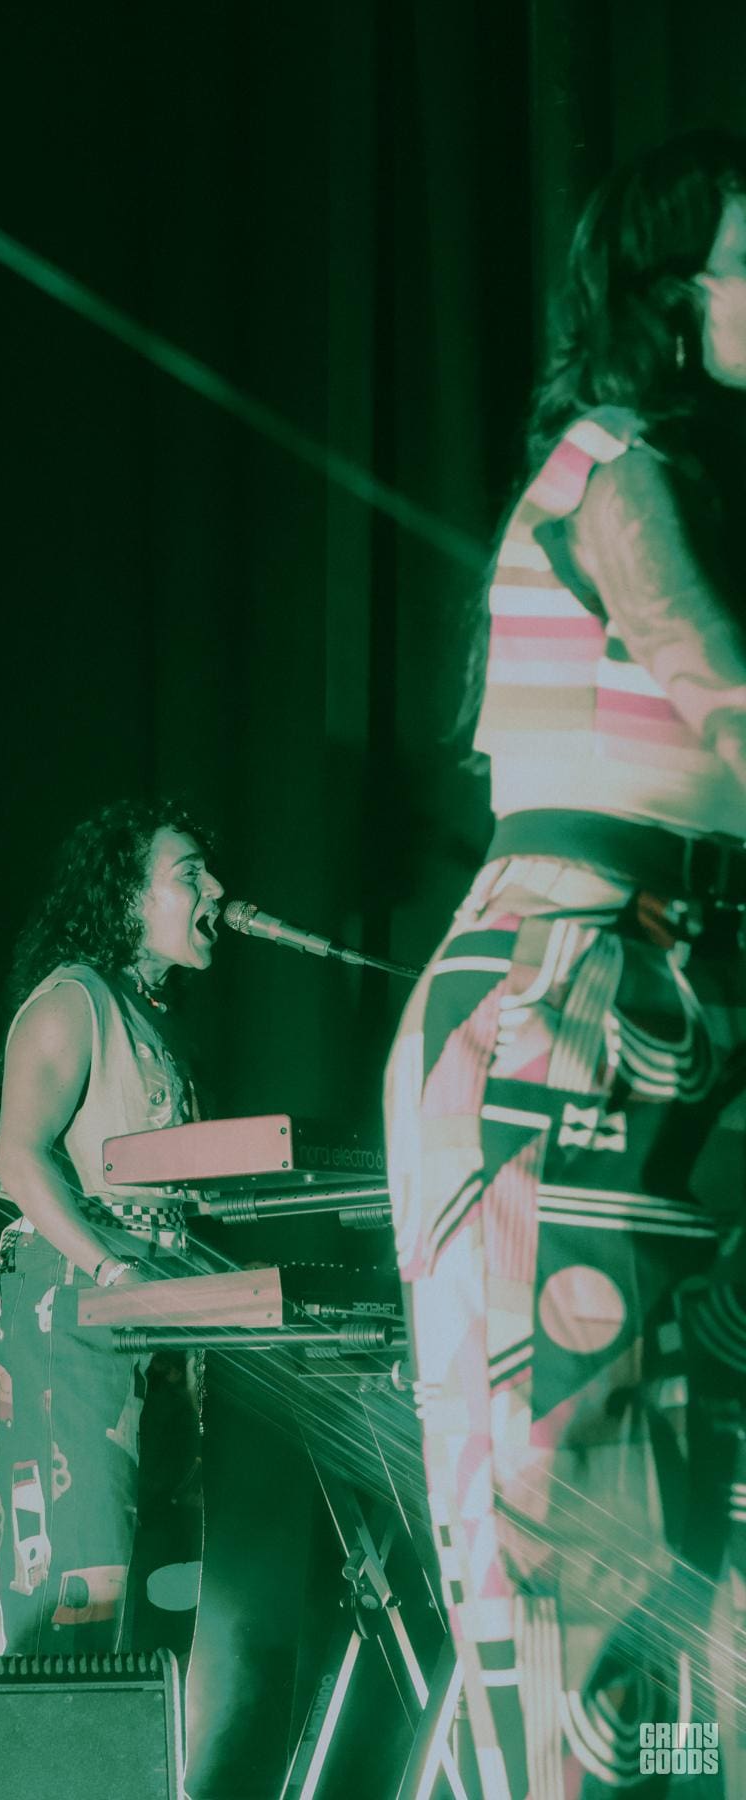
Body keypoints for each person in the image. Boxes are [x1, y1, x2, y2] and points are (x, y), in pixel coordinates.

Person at [385, 131, 746, 1798]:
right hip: (576, 1005)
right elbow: (725, 695)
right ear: (671, 296)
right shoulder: (618, 470)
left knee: (673, 1517)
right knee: (586, 1531)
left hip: (653, 998)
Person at [0, 798, 224, 1658]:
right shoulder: (74, 1001)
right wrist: (114, 1273)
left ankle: (155, 1744)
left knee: (165, 1594)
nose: (217, 890)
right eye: (190, 875)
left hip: (160, 1321)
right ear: (126, 896)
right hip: (78, 1305)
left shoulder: (158, 1022)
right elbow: (18, 1159)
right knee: (84, 1589)